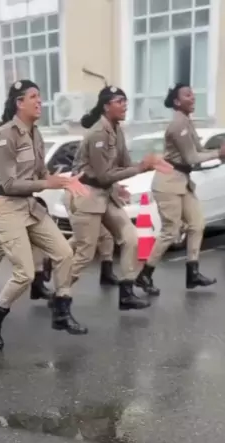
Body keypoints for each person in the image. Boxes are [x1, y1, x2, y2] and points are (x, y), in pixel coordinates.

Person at [0, 79, 88, 351]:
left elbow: (41, 174)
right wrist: (48, 184)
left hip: (29, 205)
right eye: (33, 97)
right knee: (24, 274)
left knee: (64, 253)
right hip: (6, 207)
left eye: (40, 96)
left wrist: (64, 180)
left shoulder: (35, 134)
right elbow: (8, 184)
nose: (39, 101)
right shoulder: (5, 136)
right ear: (19, 103)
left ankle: (61, 311)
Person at [69, 86, 172, 309]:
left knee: (131, 238)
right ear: (107, 106)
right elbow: (103, 175)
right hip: (87, 195)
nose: (125, 105)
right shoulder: (98, 133)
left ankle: (126, 293)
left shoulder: (117, 130)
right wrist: (141, 168)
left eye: (125, 101)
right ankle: (60, 292)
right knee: (85, 253)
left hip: (105, 194)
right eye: (119, 101)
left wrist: (148, 163)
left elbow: (123, 165)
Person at [136, 83, 225, 293]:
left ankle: (193, 273)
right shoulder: (177, 125)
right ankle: (144, 275)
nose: (193, 97)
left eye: (193, 94)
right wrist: (218, 153)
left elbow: (198, 151)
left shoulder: (187, 122)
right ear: (176, 101)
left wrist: (221, 152)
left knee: (197, 224)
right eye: (187, 95)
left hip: (182, 181)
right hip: (168, 182)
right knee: (170, 231)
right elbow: (191, 158)